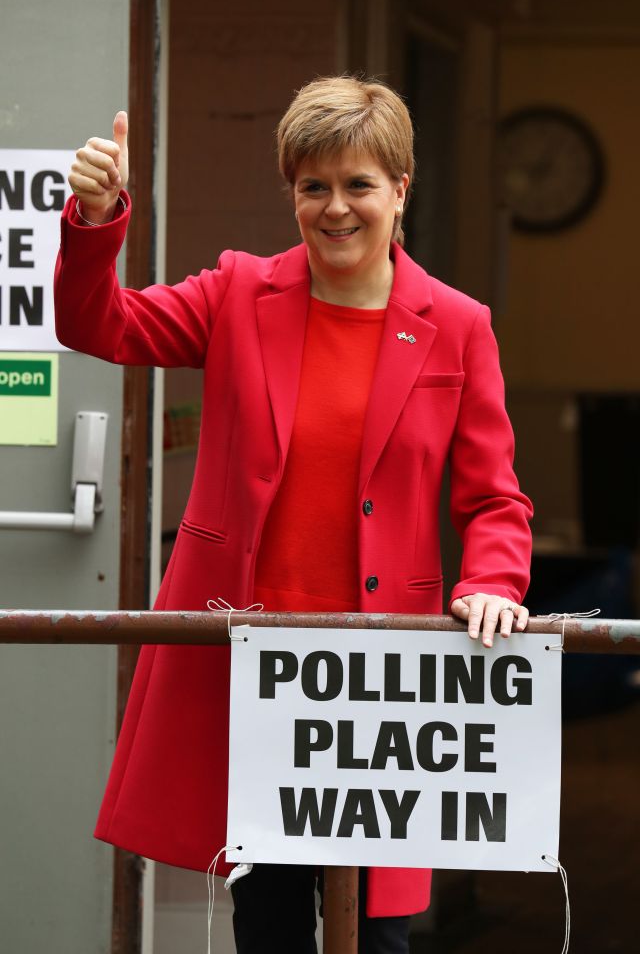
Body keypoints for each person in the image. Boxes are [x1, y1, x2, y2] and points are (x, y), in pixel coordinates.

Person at [55, 75, 533, 954]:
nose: (336, 208)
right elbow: (103, 326)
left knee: (385, 933)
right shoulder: (238, 293)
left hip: (388, 684)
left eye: (359, 185)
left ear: (400, 189)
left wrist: (493, 580)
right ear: (293, 194)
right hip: (258, 677)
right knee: (269, 923)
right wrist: (94, 222)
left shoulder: (459, 325)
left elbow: (493, 495)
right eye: (314, 187)